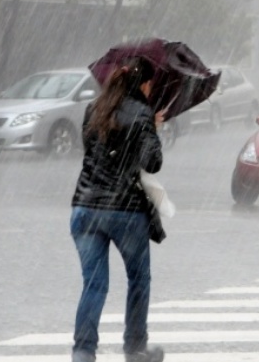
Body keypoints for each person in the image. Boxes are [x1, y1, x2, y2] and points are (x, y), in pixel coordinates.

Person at [70, 56, 166, 362]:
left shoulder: (93, 109)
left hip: (85, 207)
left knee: (94, 284)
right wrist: (151, 127)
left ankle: (83, 353)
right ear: (144, 84)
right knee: (139, 279)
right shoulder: (141, 114)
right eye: (151, 84)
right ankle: (135, 348)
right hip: (125, 211)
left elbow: (92, 150)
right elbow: (153, 163)